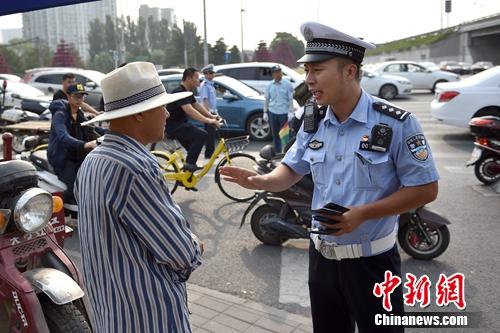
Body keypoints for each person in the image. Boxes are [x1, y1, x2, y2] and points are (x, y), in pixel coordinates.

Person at [220, 21, 439, 333]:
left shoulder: (395, 124)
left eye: (317, 70)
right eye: (307, 71)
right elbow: (292, 169)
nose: (308, 80)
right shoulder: (314, 120)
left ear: (349, 71)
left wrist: (363, 213)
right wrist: (260, 181)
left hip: (372, 265)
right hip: (321, 259)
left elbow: (426, 189)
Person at [74, 62, 204, 332]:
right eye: (161, 107)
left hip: (112, 314)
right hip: (149, 317)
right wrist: (195, 244)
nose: (167, 114)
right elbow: (182, 254)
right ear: (139, 115)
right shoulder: (135, 167)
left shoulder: (93, 160)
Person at [47, 83, 97, 207]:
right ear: (68, 97)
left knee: (91, 177)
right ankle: (54, 208)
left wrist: (114, 133)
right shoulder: (60, 115)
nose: (80, 100)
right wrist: (85, 144)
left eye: (82, 96)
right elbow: (63, 137)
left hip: (76, 154)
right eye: (76, 96)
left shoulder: (79, 114)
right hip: (61, 156)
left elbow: (91, 128)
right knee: (74, 186)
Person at [165, 67, 220, 171]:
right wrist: (209, 121)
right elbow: (190, 110)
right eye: (196, 77)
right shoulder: (179, 92)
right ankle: (189, 165)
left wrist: (212, 116)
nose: (198, 80)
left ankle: (186, 176)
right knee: (202, 135)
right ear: (189, 78)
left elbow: (197, 106)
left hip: (180, 125)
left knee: (193, 148)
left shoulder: (188, 92)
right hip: (174, 126)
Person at [263, 64, 294, 153]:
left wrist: (291, 112)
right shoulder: (269, 85)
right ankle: (277, 152)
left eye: (279, 71)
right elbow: (267, 99)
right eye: (276, 72)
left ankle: (287, 152)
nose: (278, 74)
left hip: (284, 113)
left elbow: (291, 99)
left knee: (285, 134)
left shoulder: (287, 84)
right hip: (272, 112)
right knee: (275, 134)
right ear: (273, 74)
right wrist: (265, 112)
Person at [199, 63, 218, 158]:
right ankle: (209, 153)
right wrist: (209, 114)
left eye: (212, 73)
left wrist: (215, 112)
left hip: (212, 112)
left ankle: (212, 152)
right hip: (208, 113)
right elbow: (205, 100)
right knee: (209, 134)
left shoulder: (211, 84)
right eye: (210, 73)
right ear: (205, 74)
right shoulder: (205, 85)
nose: (212, 74)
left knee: (212, 134)